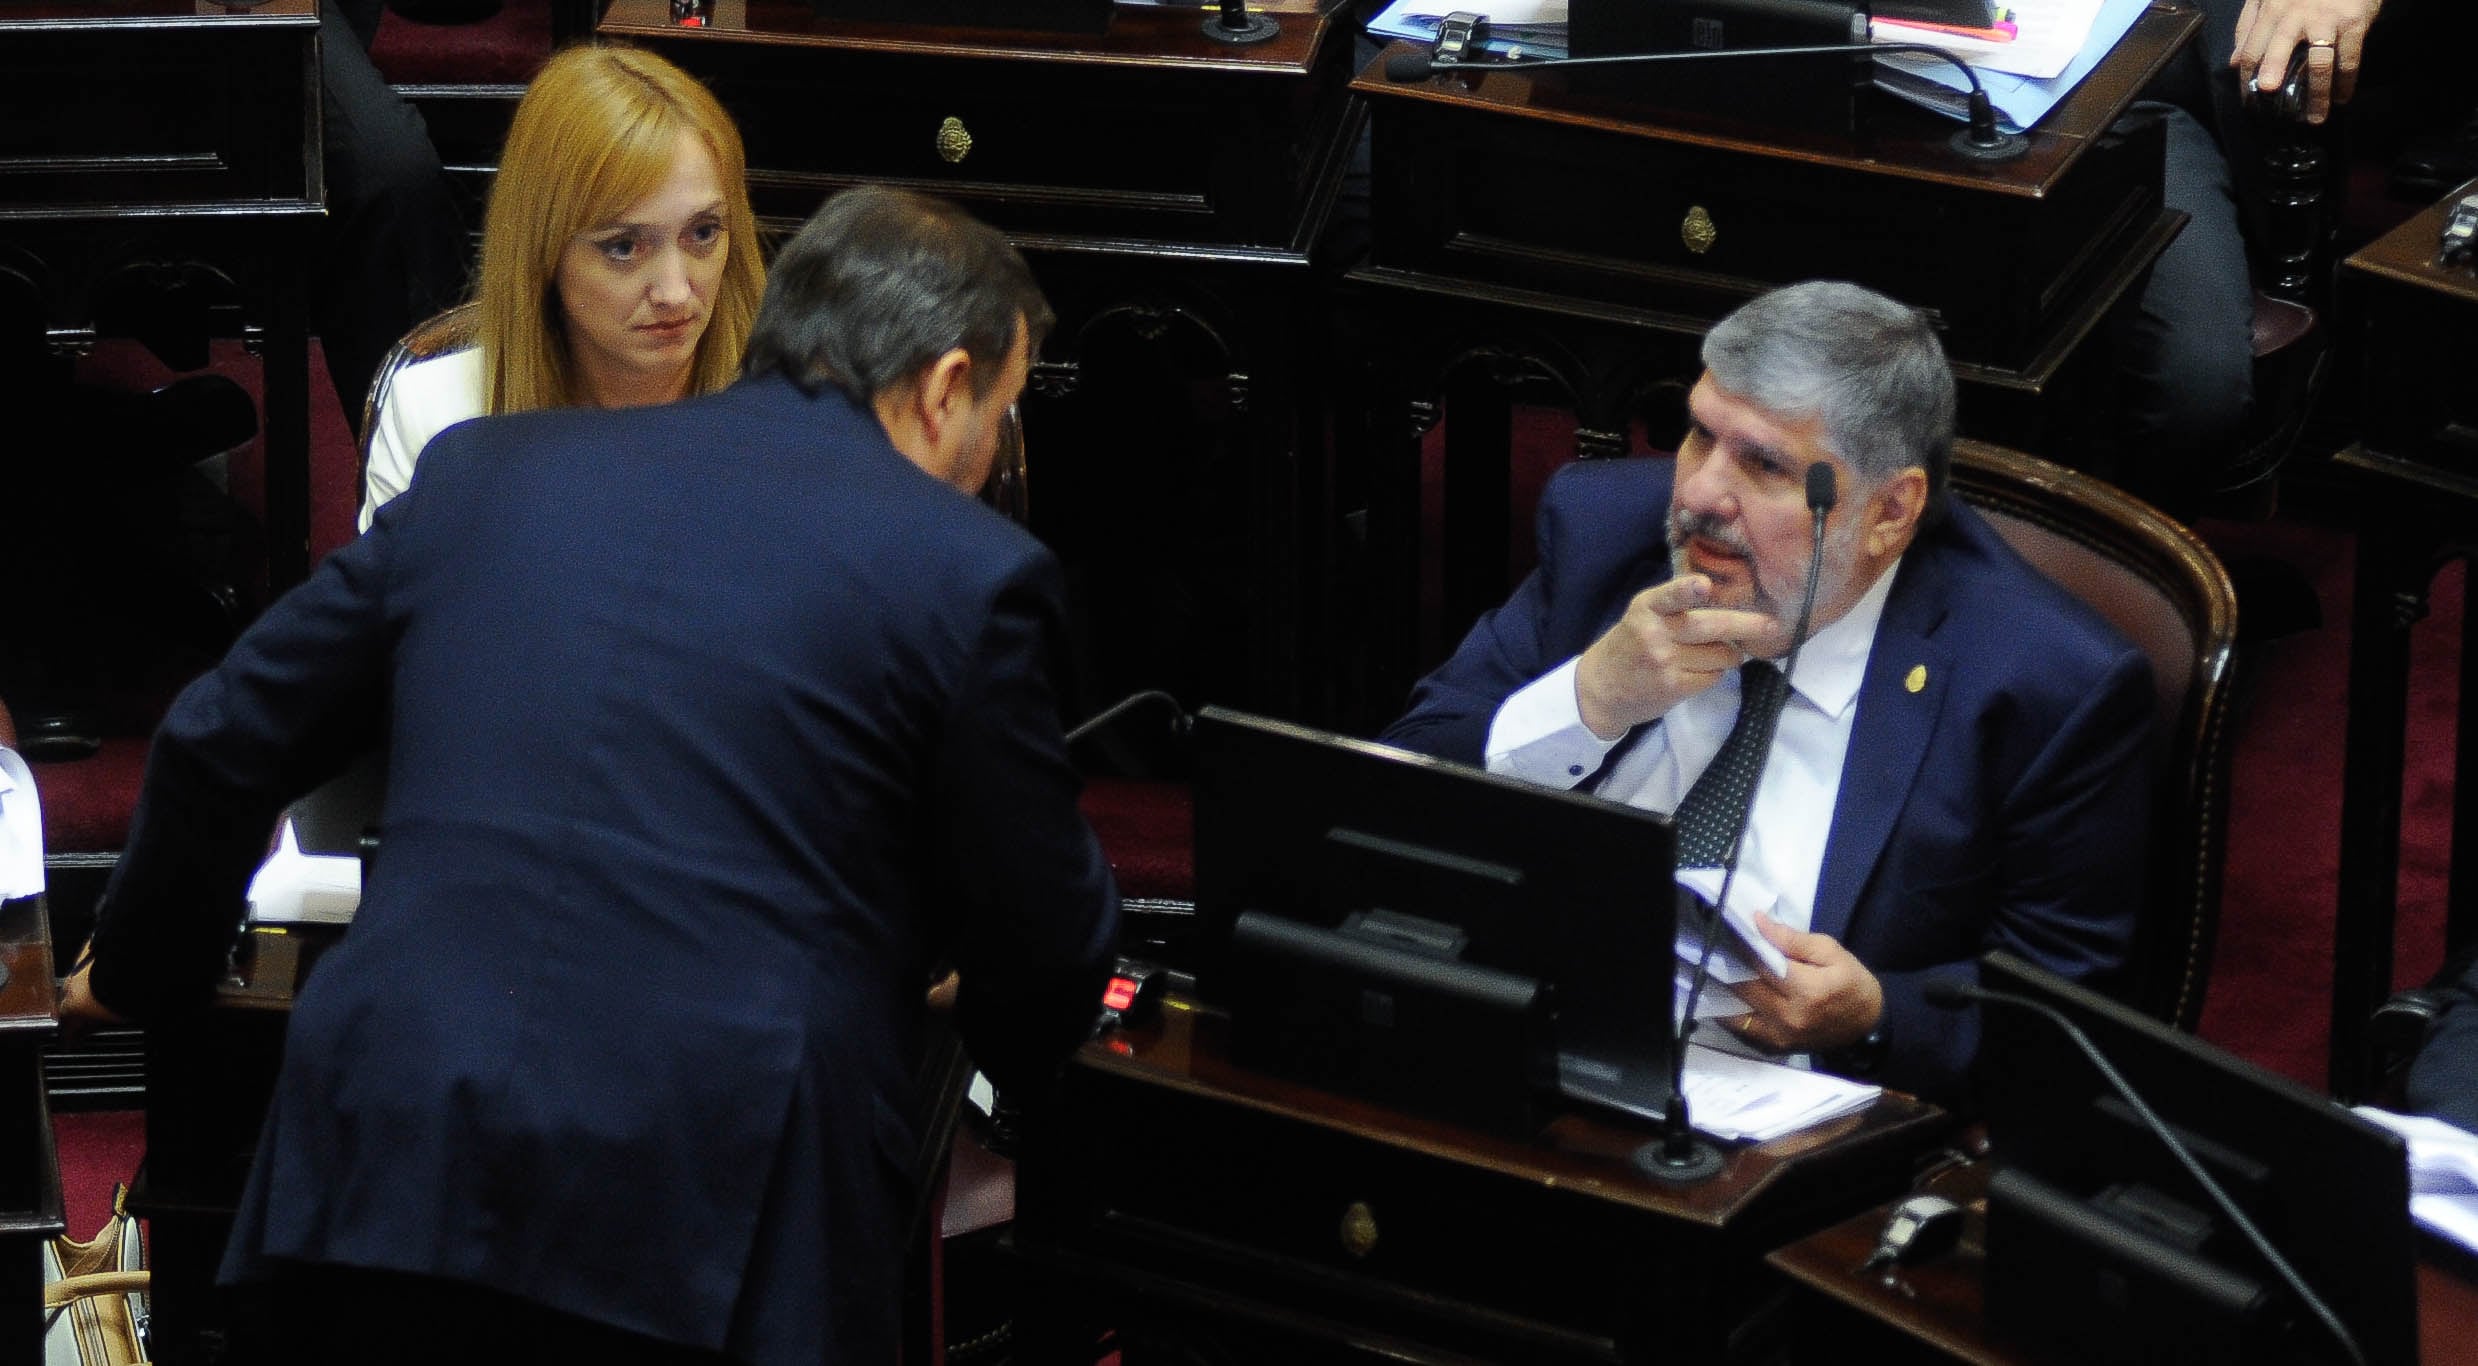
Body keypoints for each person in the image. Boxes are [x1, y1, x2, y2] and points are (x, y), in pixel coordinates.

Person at [58, 184, 1121, 1365]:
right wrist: (977, 1016)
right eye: (999, 418)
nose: (986, 468)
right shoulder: (970, 573)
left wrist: (146, 970)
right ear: (942, 390)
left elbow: (218, 736)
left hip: (389, 1162)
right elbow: (1050, 951)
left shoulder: (486, 476)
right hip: (716, 1225)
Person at [1380, 281, 2156, 1103]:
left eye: (1764, 465)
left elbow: (2066, 1022)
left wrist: (1877, 1014)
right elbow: (1388, 791)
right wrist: (1588, 699)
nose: (1699, 496)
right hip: (1527, 1048)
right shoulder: (1606, 538)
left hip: (1798, 1135)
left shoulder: (2044, 684)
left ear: (1891, 511)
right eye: (1698, 435)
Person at [358, 43, 767, 530]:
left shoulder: (801, 411)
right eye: (623, 247)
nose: (675, 292)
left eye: (702, 233)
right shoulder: (436, 416)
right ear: (544, 254)